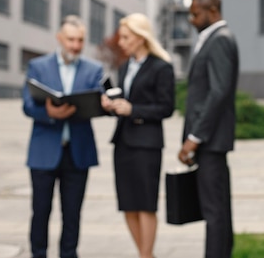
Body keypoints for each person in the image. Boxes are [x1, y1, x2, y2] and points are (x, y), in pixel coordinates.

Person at [22, 15, 104, 258]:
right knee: (40, 210)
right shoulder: (38, 66)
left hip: (77, 152)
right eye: (70, 40)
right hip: (44, 151)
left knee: (72, 213)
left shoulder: (94, 69)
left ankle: (69, 254)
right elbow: (27, 105)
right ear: (59, 39)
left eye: (80, 40)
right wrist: (47, 112)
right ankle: (39, 254)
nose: (75, 46)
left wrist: (104, 103)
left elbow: (99, 103)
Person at [101, 13, 175, 258]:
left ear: (140, 37)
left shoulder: (161, 66)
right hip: (123, 142)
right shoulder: (124, 68)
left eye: (125, 37)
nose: (121, 42)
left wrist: (133, 109)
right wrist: (111, 106)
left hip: (147, 144)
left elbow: (166, 108)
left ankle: (145, 255)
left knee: (145, 204)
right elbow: (124, 103)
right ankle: (146, 255)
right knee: (128, 204)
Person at [177, 0, 239, 258]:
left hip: (211, 140)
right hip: (209, 140)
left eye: (195, 13)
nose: (191, 19)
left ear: (212, 10)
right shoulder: (210, 39)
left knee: (215, 213)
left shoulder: (220, 40)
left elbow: (219, 92)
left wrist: (195, 137)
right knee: (217, 210)